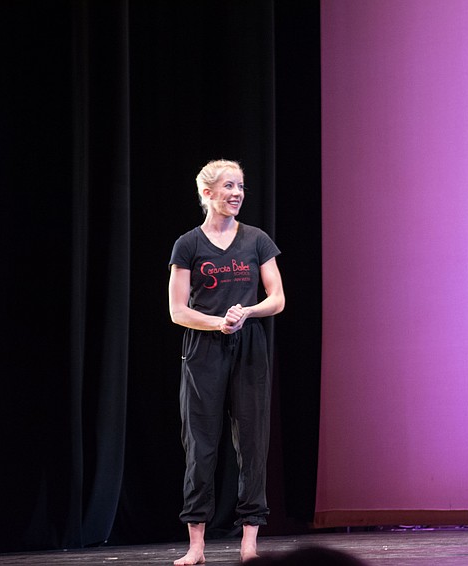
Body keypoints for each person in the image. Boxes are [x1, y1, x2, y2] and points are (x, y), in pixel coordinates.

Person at [168, 159, 285, 565]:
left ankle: (249, 543)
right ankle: (197, 547)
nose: (237, 193)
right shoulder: (188, 245)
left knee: (252, 443)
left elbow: (277, 298)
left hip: (248, 347)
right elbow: (177, 311)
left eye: (241, 186)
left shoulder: (256, 240)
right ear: (208, 194)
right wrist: (219, 322)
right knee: (200, 445)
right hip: (203, 350)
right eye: (229, 186)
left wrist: (247, 313)